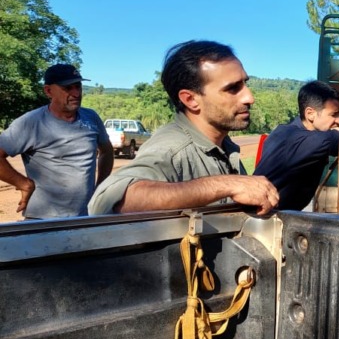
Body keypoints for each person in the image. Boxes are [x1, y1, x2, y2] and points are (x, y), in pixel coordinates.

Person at [88, 40, 278, 215]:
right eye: (232, 89)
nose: (249, 98)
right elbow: (105, 201)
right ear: (191, 99)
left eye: (245, 83)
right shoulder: (172, 147)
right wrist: (228, 184)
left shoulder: (221, 144)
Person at [0, 64, 114, 219]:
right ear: (48, 91)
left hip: (84, 218)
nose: (76, 93)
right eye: (68, 88)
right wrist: (23, 183)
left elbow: (107, 151)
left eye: (78, 86)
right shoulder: (31, 123)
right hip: (42, 221)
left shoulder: (91, 117)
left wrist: (100, 186)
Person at [254, 80, 339, 211]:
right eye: (334, 114)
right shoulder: (314, 141)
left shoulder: (284, 131)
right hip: (267, 218)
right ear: (310, 113)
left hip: (269, 213)